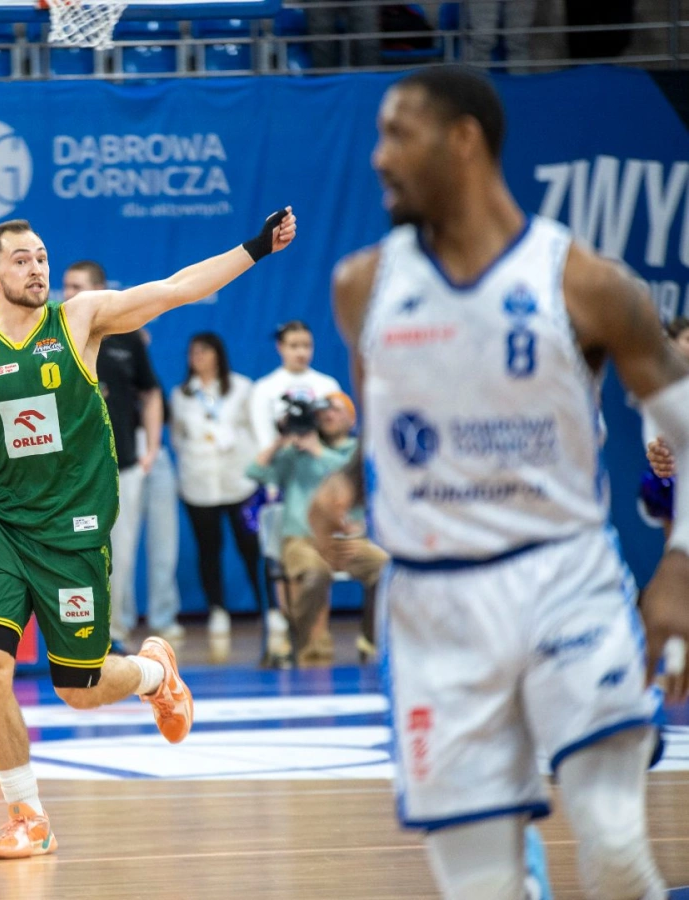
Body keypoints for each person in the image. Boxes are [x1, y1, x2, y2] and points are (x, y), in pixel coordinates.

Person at [309, 66, 689, 899]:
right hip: (432, 604)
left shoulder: (585, 282)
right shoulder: (362, 286)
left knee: (616, 851)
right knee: (481, 888)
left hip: (564, 579)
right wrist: (346, 483)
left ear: (464, 140)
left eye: (397, 134)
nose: (378, 157)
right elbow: (390, 433)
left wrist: (681, 564)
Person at [0, 208, 296, 859]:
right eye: (21, 260)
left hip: (73, 529)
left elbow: (177, 289)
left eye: (41, 257)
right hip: (3, 525)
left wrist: (255, 247)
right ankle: (28, 817)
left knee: (79, 688)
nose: (36, 268)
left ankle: (153, 673)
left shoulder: (79, 319)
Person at [62, 260, 170, 651]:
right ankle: (78, 636)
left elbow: (151, 392)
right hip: (74, 472)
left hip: (123, 464)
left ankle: (115, 635)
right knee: (75, 555)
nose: (68, 295)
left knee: (120, 556)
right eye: (66, 287)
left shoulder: (128, 337)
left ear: (99, 291)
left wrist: (151, 448)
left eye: (76, 287)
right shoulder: (57, 336)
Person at [246, 391, 385, 667]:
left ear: (351, 418)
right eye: (323, 411)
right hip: (301, 539)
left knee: (385, 568)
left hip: (344, 538)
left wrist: (318, 451)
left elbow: (353, 476)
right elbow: (255, 472)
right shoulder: (296, 454)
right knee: (314, 573)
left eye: (336, 409)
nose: (328, 415)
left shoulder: (355, 452)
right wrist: (282, 439)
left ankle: (371, 638)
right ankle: (312, 651)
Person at [169, 332, 263, 641]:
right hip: (199, 483)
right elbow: (178, 437)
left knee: (251, 547)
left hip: (239, 481)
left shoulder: (242, 387)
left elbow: (256, 429)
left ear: (218, 355)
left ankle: (269, 608)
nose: (198, 357)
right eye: (193, 352)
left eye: (204, 351)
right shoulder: (181, 394)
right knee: (208, 549)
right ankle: (217, 610)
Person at [248, 320, 343, 453]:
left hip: (323, 457)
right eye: (294, 346)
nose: (301, 353)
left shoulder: (328, 385)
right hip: (281, 459)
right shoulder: (264, 388)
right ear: (280, 347)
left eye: (307, 346)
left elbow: (338, 431)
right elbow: (263, 436)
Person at [642, 317, 689, 540]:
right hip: (670, 477)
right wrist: (660, 455)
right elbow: (653, 438)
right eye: (688, 340)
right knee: (676, 546)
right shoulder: (658, 386)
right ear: (672, 343)